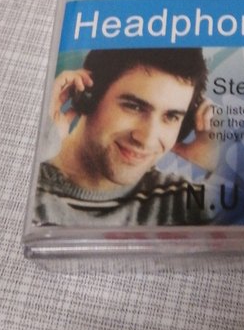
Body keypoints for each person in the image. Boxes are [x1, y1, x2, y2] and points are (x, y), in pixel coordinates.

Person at [34, 48, 217, 227]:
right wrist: (38, 149)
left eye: (171, 117)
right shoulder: (31, 193)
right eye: (134, 107)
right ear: (86, 96)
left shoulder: (183, 202)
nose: (147, 140)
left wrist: (216, 161)